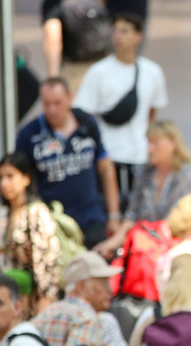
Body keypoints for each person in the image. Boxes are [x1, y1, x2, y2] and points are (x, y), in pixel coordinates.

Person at [73, 12, 169, 213]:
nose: (118, 36)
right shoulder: (99, 72)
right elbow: (82, 111)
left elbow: (152, 112)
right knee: (110, 211)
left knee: (140, 211)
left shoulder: (153, 72)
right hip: (109, 155)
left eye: (124, 31)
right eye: (115, 31)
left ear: (138, 36)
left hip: (140, 155)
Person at [15, 78, 121, 249]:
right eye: (47, 104)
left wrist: (114, 216)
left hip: (92, 217)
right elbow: (18, 180)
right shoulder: (29, 134)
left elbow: (106, 169)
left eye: (57, 103)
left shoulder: (87, 123)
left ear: (69, 98)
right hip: (54, 222)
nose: (52, 110)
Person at [93, 119, 191, 258]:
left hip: (176, 245)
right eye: (148, 143)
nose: (149, 149)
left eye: (155, 143)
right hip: (146, 246)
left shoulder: (188, 176)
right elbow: (132, 214)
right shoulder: (144, 173)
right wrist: (113, 242)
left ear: (173, 144)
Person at [0, 153, 61, 318]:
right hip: (16, 302)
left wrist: (44, 304)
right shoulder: (9, 214)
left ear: (26, 179)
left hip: (37, 302)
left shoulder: (36, 212)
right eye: (1, 177)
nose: (4, 183)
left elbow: (48, 263)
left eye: (10, 176)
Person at [38, 0, 110, 92]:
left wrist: (53, 78)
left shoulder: (53, 2)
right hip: (102, 61)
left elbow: (53, 39)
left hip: (75, 67)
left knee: (71, 108)